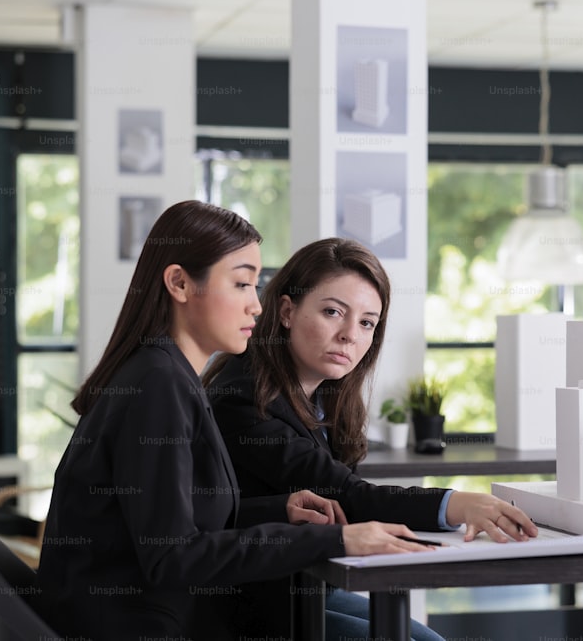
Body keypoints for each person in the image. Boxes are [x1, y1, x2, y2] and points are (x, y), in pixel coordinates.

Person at [33, 203, 434, 641]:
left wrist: (277, 510)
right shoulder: (158, 386)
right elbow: (172, 557)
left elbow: (172, 521)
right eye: (242, 284)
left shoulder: (164, 375)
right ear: (180, 283)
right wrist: (336, 540)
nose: (256, 306)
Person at [204, 237, 538, 641]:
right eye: (332, 312)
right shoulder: (243, 397)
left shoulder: (322, 397)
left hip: (305, 584)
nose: (350, 335)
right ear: (287, 311)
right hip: (247, 603)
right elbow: (348, 495)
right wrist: (456, 503)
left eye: (367, 322)